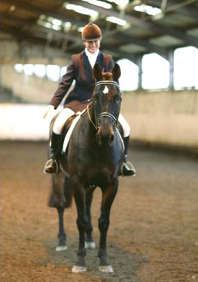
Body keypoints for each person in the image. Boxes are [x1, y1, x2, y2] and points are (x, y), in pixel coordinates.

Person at [43, 22, 136, 176]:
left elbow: (114, 86)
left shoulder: (107, 60)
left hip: (102, 105)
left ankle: (124, 162)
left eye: (95, 41)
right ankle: (54, 159)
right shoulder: (76, 60)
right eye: (89, 42)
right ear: (84, 42)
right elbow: (65, 84)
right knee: (58, 125)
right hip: (77, 102)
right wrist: (53, 105)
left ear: (99, 41)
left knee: (126, 127)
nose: (93, 44)